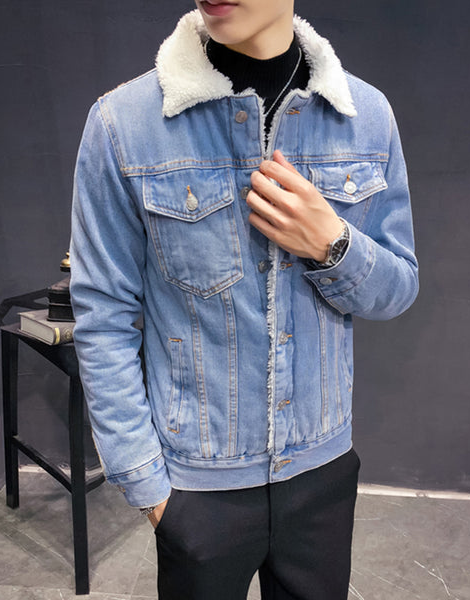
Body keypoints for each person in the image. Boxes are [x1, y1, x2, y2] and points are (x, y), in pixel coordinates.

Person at [70, 1, 418, 598]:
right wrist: (150, 490)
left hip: (322, 476)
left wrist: (332, 245)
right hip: (196, 491)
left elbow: (398, 288)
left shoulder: (364, 116)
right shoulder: (122, 124)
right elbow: (104, 318)